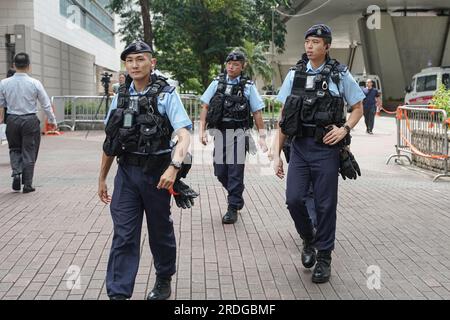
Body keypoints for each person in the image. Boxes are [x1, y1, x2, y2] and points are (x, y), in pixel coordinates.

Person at [97, 40, 196, 300]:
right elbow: (111, 140)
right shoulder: (120, 95)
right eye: (129, 60)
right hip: (127, 173)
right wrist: (102, 178)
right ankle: (118, 293)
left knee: (159, 230)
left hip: (157, 175)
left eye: (140, 59)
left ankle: (164, 278)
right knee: (124, 233)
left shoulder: (166, 94)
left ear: (152, 63)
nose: (134, 64)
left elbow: (184, 135)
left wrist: (174, 168)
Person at [272, 24, 364, 283]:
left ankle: (324, 257)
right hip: (299, 148)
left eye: (315, 42)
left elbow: (358, 107)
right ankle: (308, 238)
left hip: (326, 149)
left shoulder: (339, 75)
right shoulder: (295, 75)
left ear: (327, 46)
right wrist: (277, 153)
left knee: (325, 205)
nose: (310, 46)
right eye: (307, 42)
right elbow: (283, 117)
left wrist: (344, 129)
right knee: (294, 199)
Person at [199, 50, 268, 224]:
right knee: (220, 170)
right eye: (229, 63)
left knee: (235, 170)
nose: (231, 66)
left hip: (239, 133)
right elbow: (205, 107)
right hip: (220, 133)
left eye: (236, 64)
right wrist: (202, 131)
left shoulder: (248, 86)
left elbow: (257, 112)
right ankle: (236, 193)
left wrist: (262, 136)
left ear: (242, 66)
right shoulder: (217, 83)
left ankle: (232, 207)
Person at [0, 53, 57, 193]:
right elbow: (46, 104)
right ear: (29, 66)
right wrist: (52, 120)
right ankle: (27, 184)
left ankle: (16, 172)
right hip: (30, 120)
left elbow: (1, 103)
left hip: (12, 119)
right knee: (29, 150)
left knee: (14, 148)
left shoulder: (4, 83)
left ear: (14, 65)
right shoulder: (35, 83)